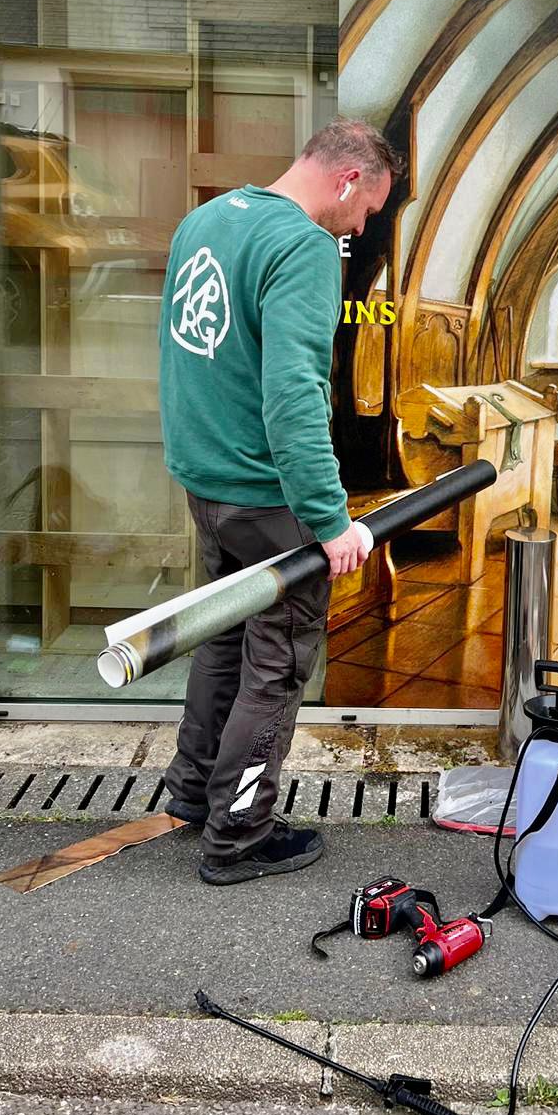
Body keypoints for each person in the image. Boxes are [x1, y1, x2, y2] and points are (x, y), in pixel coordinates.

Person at [158, 118, 404, 885]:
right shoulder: (301, 246)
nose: (362, 227)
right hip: (270, 501)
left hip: (209, 488)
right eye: (368, 210)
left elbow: (185, 358)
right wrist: (332, 523)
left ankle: (195, 796)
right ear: (346, 180)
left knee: (222, 644)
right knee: (276, 667)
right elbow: (295, 396)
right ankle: (238, 837)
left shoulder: (205, 221)